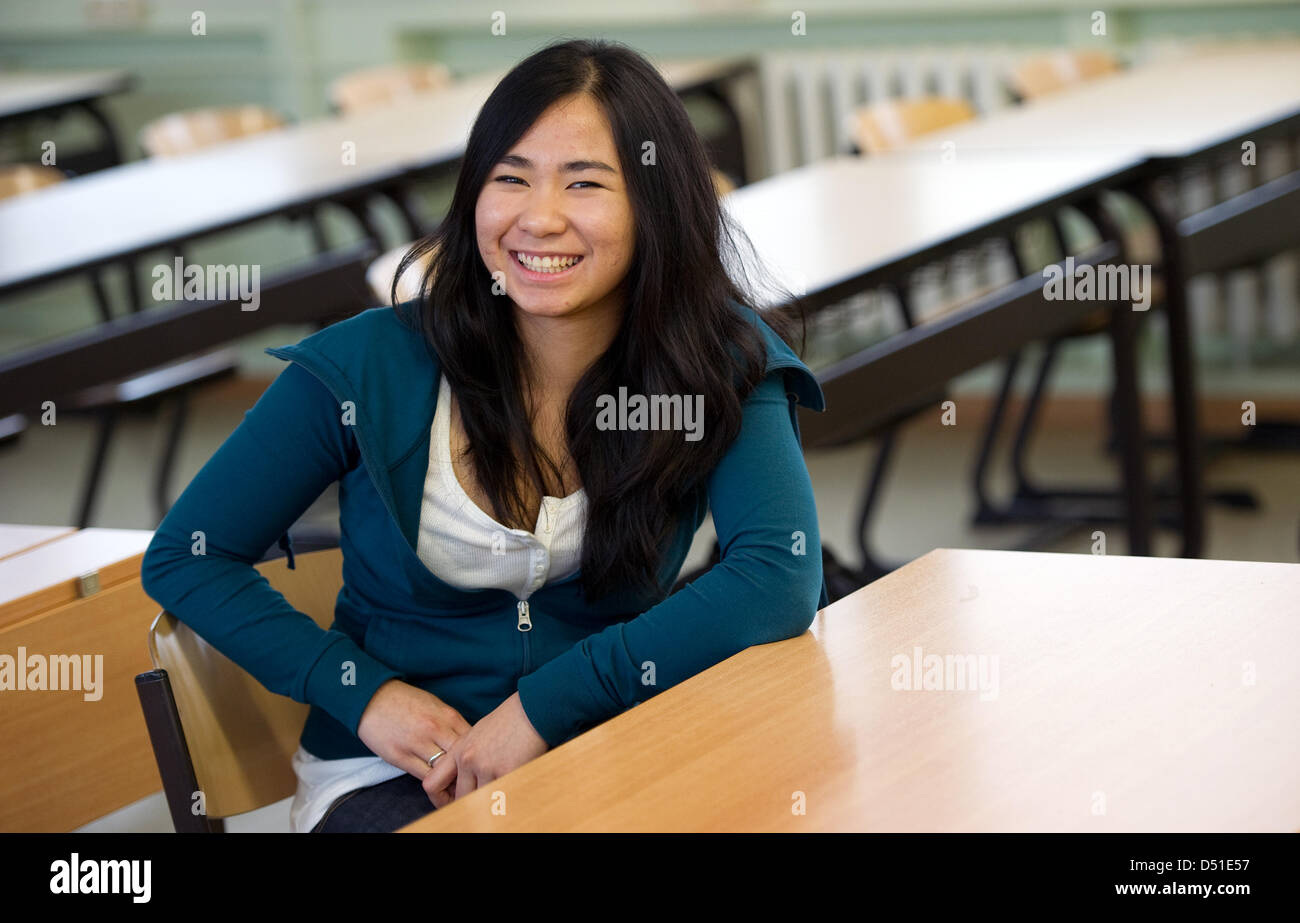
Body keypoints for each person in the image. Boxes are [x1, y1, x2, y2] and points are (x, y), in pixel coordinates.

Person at [140, 38, 827, 833]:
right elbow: (187, 554)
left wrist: (544, 706)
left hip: (610, 739)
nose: (539, 217)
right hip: (389, 777)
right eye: (510, 179)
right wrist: (360, 691)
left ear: (656, 204)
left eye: (584, 183)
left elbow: (778, 572)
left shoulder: (714, 362)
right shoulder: (369, 364)